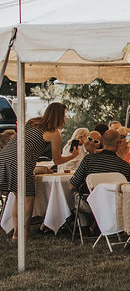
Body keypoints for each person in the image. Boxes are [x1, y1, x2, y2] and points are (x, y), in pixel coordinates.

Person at [0, 102, 79, 239]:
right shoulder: (54, 134)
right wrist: (74, 155)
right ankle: (23, 234)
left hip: (5, 156)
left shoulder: (32, 122)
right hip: (21, 162)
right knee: (28, 198)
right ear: (60, 117)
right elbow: (57, 160)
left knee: (18, 196)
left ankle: (17, 234)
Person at [70, 129, 130, 196]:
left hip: (91, 204)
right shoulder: (125, 166)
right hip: (116, 204)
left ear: (102, 142)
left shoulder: (88, 160)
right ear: (118, 143)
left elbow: (72, 186)